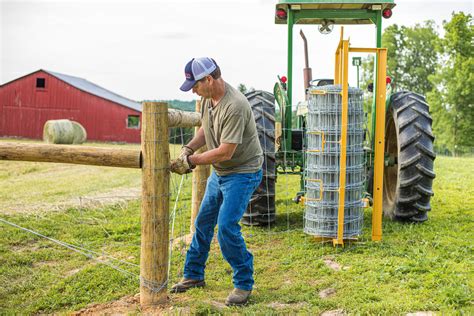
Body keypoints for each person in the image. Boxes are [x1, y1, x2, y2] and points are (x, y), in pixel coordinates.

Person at [169, 57, 263, 306]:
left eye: (194, 85)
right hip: (221, 173)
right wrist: (188, 149)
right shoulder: (207, 100)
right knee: (202, 223)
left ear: (209, 79)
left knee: (226, 227)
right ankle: (193, 275)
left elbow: (225, 151)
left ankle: (243, 283)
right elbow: (205, 129)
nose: (192, 90)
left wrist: (193, 161)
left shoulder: (235, 105)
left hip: (242, 172)